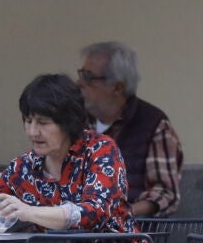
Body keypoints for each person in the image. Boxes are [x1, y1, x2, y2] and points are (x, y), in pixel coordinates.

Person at [0, 73, 130, 233]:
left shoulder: (100, 149)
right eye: (28, 121)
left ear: (68, 122)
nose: (32, 132)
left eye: (43, 123)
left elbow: (94, 212)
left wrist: (29, 212)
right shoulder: (25, 166)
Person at [76, 41, 182, 219]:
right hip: (78, 227)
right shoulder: (77, 122)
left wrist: (121, 213)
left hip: (131, 231)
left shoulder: (153, 124)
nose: (79, 83)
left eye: (88, 77)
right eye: (81, 74)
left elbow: (165, 193)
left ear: (117, 87)